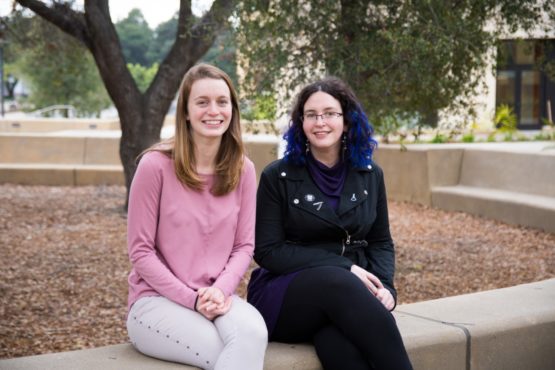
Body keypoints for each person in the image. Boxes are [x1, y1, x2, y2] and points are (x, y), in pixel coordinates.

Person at [247, 77, 413, 370]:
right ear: (301, 124)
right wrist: (346, 267)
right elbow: (268, 251)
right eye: (311, 115)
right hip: (285, 296)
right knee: (337, 280)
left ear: (347, 121)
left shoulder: (370, 173)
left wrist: (386, 287)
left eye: (330, 113)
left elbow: (380, 241)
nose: (320, 122)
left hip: (346, 299)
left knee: (340, 347)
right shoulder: (278, 176)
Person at [126, 63, 267, 370]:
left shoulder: (243, 169)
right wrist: (191, 299)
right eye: (202, 102)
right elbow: (140, 251)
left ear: (232, 109)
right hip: (155, 302)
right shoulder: (154, 166)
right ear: (186, 112)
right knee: (226, 350)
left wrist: (219, 290)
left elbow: (244, 246)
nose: (213, 110)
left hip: (218, 296)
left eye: (222, 101)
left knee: (255, 333)